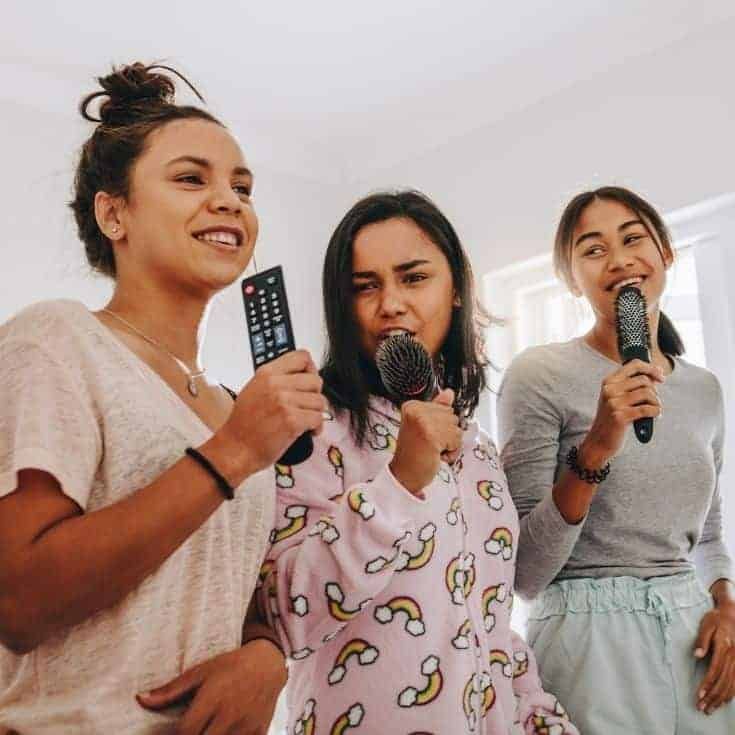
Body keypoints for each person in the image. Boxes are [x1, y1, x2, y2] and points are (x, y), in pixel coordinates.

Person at [0, 62, 325, 734]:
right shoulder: (56, 339)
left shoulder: (235, 405)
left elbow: (223, 585)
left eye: (242, 186)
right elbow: (18, 599)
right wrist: (232, 452)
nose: (230, 200)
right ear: (113, 212)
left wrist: (266, 655)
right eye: (190, 178)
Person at [257, 190, 579, 734]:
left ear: (455, 290)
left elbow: (489, 624)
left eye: (413, 278)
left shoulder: (474, 444)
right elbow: (283, 614)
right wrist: (399, 482)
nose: (390, 303)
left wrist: (541, 718)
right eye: (365, 286)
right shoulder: (310, 428)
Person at [497, 186, 735, 733]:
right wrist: (598, 446)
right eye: (593, 249)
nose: (620, 259)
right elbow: (525, 572)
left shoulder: (704, 390)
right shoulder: (539, 376)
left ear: (666, 254)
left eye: (633, 239)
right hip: (586, 646)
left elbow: (711, 532)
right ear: (569, 278)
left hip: (692, 636)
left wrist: (724, 605)